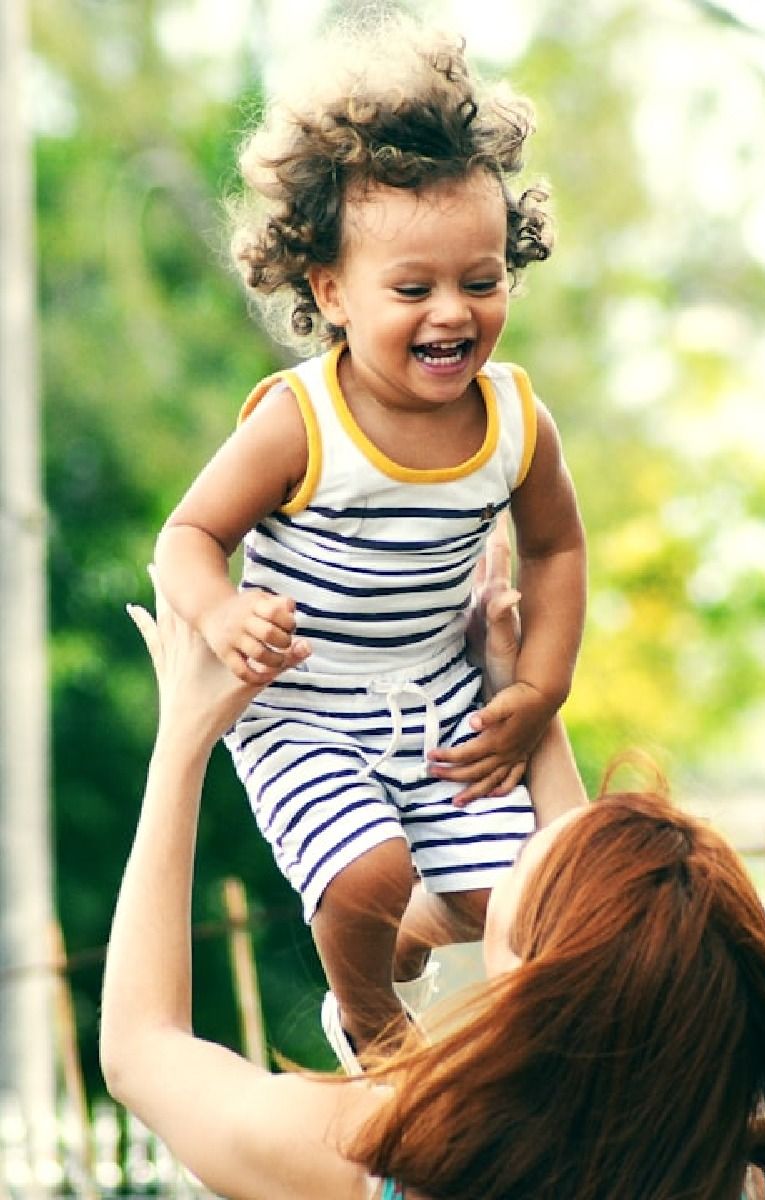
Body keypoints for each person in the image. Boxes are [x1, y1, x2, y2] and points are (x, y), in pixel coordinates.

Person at [102, 570, 765, 1200]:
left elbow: (142, 1051)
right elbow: (606, 945)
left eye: (523, 860)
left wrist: (184, 737)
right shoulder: (726, 1170)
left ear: (529, 981)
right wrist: (517, 695)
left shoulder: (379, 1156)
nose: (515, 844)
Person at [152, 16, 587, 1063]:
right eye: (413, 289)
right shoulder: (301, 424)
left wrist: (537, 690)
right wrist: (222, 610)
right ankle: (373, 1027)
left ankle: (410, 936)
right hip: (305, 704)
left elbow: (560, 551)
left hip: (436, 694)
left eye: (481, 281)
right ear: (331, 292)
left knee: (509, 900)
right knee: (365, 875)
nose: (453, 312)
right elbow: (186, 535)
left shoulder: (517, 421)